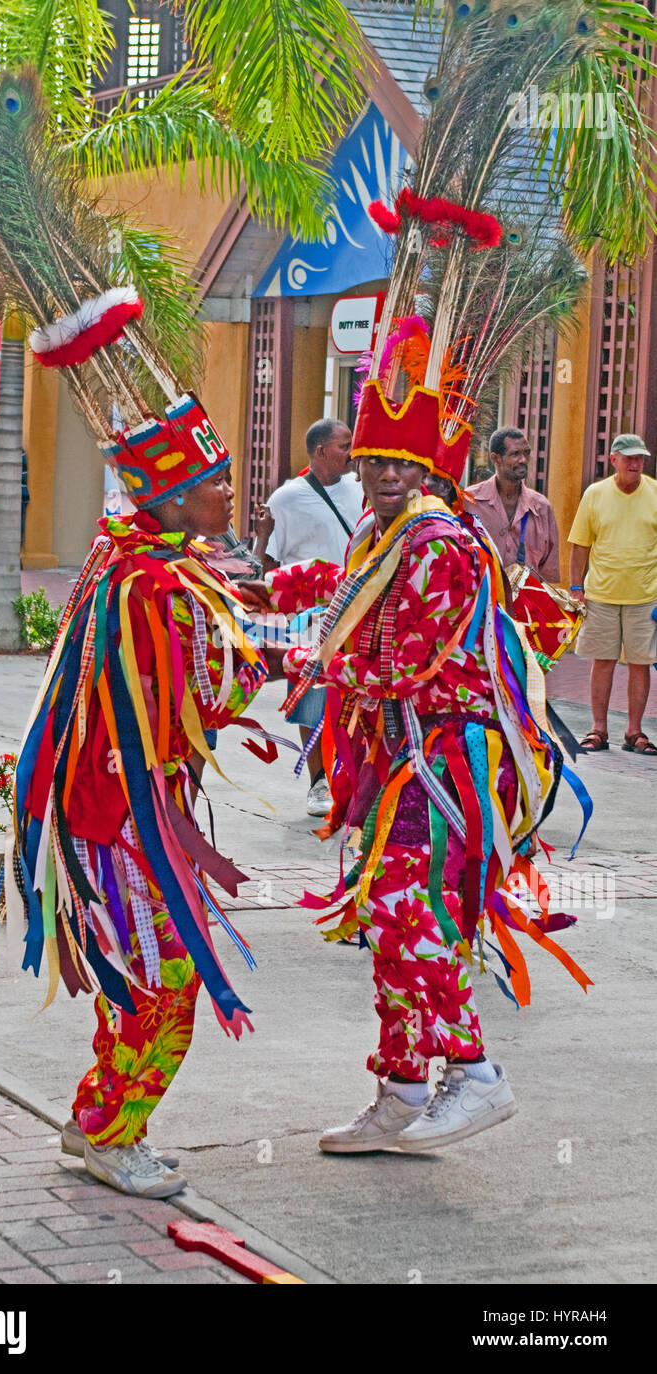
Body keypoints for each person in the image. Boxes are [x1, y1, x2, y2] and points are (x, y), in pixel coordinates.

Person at [267, 377, 589, 1156]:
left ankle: (475, 1072)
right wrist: (263, 594)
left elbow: (400, 664)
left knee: (410, 918)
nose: (385, 476)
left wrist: (290, 662)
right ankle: (405, 1085)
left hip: (448, 754)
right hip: (401, 752)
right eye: (375, 459)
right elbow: (342, 601)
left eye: (403, 466)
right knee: (388, 922)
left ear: (432, 474)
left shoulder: (440, 542)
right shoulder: (380, 539)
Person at [0, 405, 289, 1200]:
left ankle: (93, 1119)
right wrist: (270, 664)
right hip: (122, 823)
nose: (228, 493)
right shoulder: (155, 582)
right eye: (214, 483)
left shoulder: (123, 555)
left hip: (109, 806)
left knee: (140, 979)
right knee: (168, 985)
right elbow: (207, 695)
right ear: (173, 500)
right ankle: (115, 1137)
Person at [255, 418, 363, 817]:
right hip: (311, 616)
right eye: (343, 445)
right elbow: (269, 563)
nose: (351, 453)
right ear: (320, 451)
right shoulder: (287, 498)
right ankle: (318, 782)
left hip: (359, 606)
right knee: (313, 698)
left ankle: (356, 778)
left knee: (358, 693)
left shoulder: (361, 488)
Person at [568, 433, 657, 754]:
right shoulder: (595, 494)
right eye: (629, 458)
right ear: (614, 460)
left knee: (640, 664)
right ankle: (598, 729)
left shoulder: (654, 493)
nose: (636, 464)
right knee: (602, 661)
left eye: (640, 458)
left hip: (645, 597)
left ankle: (634, 732)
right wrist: (576, 588)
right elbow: (580, 545)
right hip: (601, 595)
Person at [466, 427, 560, 581]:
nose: (523, 460)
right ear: (496, 458)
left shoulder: (542, 507)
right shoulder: (469, 501)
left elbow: (549, 571)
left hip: (527, 601)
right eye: (515, 454)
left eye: (526, 453)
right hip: (481, 599)